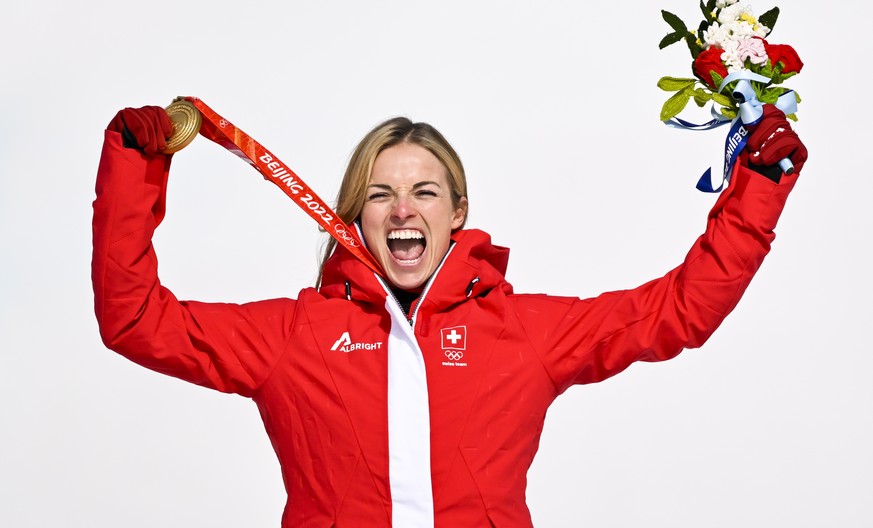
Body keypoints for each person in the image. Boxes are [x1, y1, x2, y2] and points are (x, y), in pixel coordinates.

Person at [92, 104, 807, 527]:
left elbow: (678, 312)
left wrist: (758, 186)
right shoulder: (291, 338)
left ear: (456, 213)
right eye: (380, 195)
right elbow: (134, 319)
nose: (403, 209)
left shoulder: (522, 334)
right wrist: (133, 165)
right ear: (353, 219)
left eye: (425, 192)